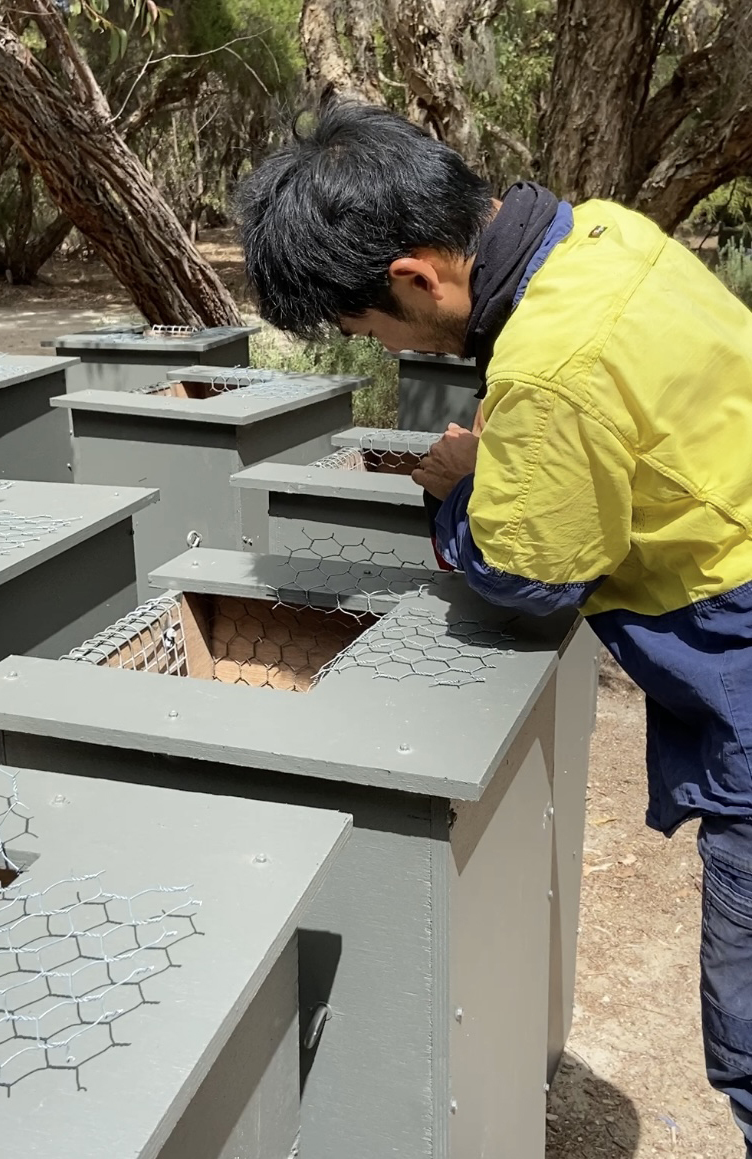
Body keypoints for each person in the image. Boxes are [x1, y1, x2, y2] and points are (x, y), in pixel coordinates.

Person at [236, 99, 752, 1154]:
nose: (379, 348)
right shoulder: (607, 231)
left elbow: (528, 579)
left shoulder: (547, 370)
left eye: (366, 328)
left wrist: (459, 489)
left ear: (416, 278)